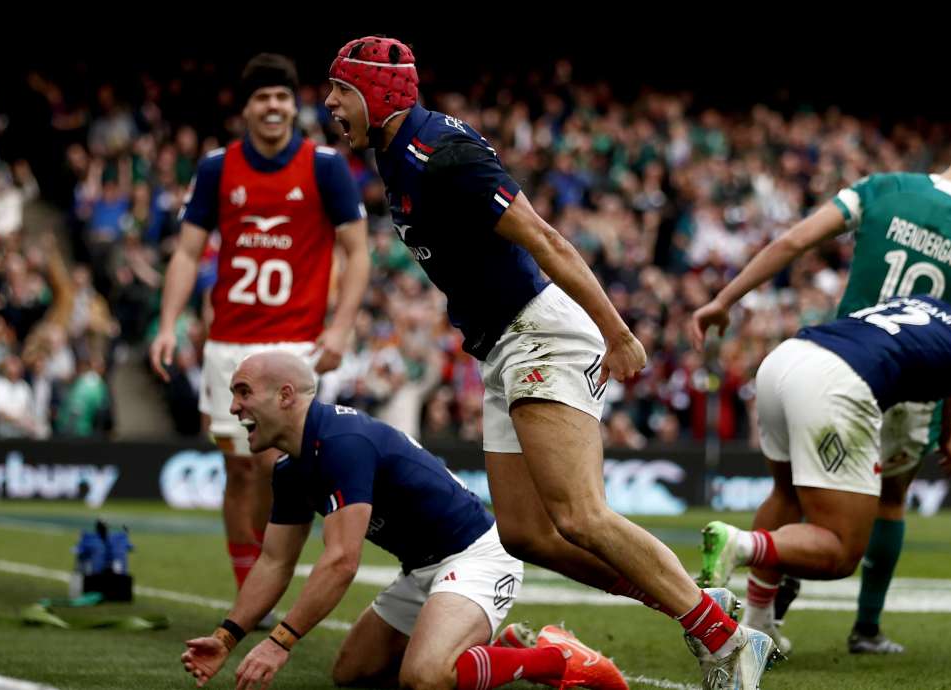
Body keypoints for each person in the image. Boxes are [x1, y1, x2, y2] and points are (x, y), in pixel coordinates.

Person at [324, 36, 774, 688]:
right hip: (504, 345)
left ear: (376, 92)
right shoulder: (393, 155)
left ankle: (728, 640)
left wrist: (616, 333)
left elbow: (544, 238)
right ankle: (700, 605)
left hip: (542, 333)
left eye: (340, 90)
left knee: (581, 515)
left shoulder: (443, 152)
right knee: (527, 536)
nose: (331, 104)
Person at [690, 114, 951, 654]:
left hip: (837, 358)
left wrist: (724, 299)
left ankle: (758, 615)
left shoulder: (882, 188)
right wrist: (948, 424)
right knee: (889, 503)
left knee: (789, 492)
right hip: (907, 391)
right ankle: (865, 627)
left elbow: (794, 240)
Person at [180, 351, 628, 690]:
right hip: (423, 569)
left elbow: (340, 562)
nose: (234, 407)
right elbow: (274, 562)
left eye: (243, 392)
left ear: (285, 396)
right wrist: (225, 637)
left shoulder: (342, 442)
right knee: (351, 673)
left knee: (426, 677)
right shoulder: (291, 467)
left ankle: (554, 660)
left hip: (477, 557)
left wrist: (280, 641)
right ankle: (495, 646)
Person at [696, 296, 951, 657]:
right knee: (841, 549)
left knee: (785, 494)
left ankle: (757, 622)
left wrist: (946, 432)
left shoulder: (925, 307)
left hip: (785, 359)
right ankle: (741, 544)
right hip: (835, 382)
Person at [149, 53, 370, 601]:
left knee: (280, 468)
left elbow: (358, 252)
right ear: (245, 109)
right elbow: (188, 252)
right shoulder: (216, 168)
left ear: (294, 106)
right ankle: (248, 583)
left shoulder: (324, 166)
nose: (273, 106)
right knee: (240, 471)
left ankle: (272, 581)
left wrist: (341, 329)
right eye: (262, 97)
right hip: (228, 343)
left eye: (282, 96)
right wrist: (167, 324)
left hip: (296, 343)